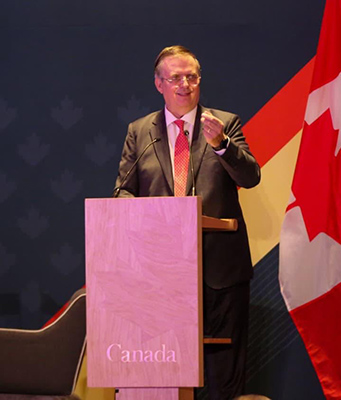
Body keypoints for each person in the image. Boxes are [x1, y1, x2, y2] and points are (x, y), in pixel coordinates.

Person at [114, 45, 261, 400]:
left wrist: (222, 145)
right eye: (175, 78)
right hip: (158, 274)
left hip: (220, 271)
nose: (185, 85)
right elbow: (123, 192)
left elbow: (251, 177)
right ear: (159, 84)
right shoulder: (140, 131)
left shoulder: (224, 124)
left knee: (225, 376)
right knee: (162, 370)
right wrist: (145, 215)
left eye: (191, 77)